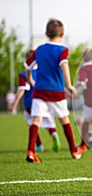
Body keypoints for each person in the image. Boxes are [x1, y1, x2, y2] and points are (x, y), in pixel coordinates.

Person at [24, 18, 83, 163]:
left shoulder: (39, 50)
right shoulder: (62, 50)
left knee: (36, 120)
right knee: (64, 119)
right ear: (62, 34)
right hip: (56, 91)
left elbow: (27, 65)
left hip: (39, 91)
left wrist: (30, 78)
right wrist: (69, 85)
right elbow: (64, 66)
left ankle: (31, 151)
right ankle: (74, 151)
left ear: (46, 33)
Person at [11, 50, 61, 152]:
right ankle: (53, 133)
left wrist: (14, 104)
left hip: (30, 103)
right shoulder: (43, 73)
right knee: (49, 121)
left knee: (32, 123)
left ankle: (39, 145)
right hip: (44, 101)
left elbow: (21, 90)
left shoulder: (24, 74)